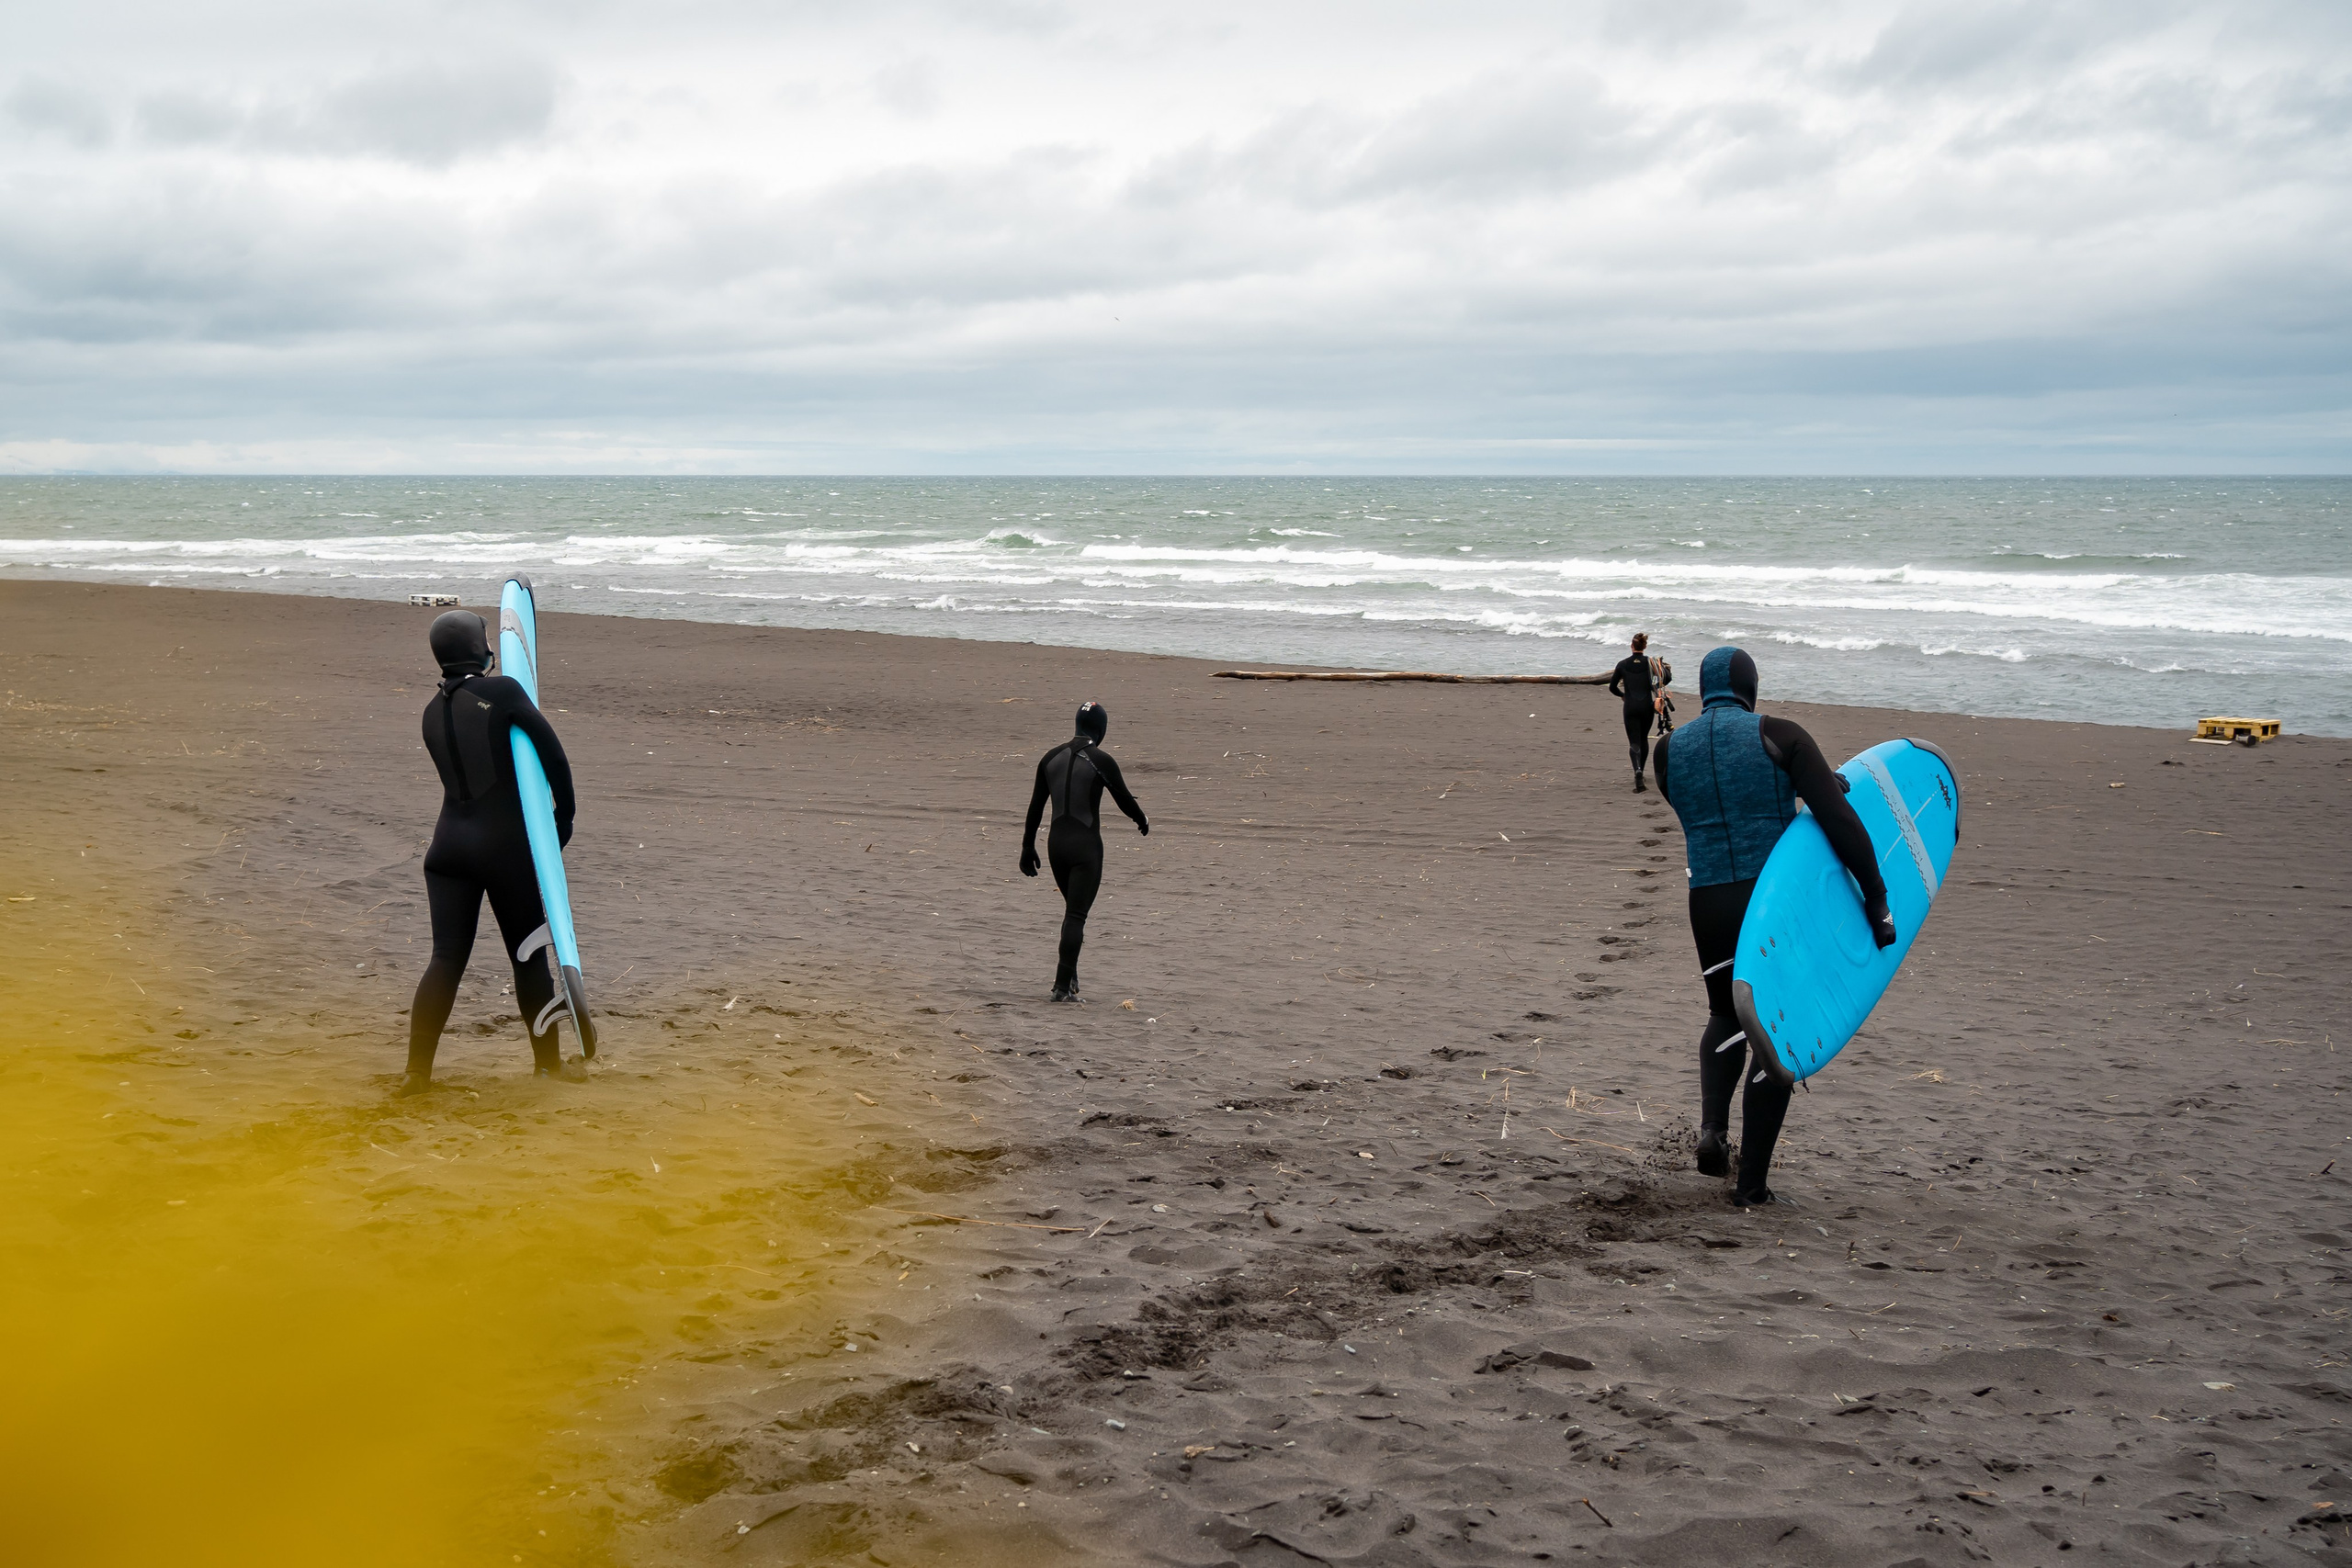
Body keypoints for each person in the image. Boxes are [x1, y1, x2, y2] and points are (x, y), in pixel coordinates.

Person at [1654, 646, 1894, 1206]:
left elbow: (1705, 807)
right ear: (1749, 686)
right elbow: (1837, 819)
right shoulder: (1779, 735)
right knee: (1775, 1029)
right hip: (1771, 904)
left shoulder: (1668, 752)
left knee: (1723, 1013)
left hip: (1708, 901)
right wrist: (1877, 898)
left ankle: (1713, 1130)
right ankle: (1751, 1187)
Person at [400, 610, 586, 1095]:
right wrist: (562, 819)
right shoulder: (501, 691)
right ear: (479, 649)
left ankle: (416, 1074)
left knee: (445, 959)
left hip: (447, 852)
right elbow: (554, 756)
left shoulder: (429, 711)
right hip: (503, 848)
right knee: (528, 960)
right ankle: (547, 1066)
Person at [1019, 702, 1148, 1001]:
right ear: (1101, 730)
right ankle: (1062, 989)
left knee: (1071, 913)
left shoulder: (1050, 758)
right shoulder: (1101, 760)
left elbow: (1035, 806)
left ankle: (1069, 975)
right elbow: (1124, 799)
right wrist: (1141, 819)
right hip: (1085, 849)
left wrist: (1027, 846)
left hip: (1055, 847)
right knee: (1076, 916)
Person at [1607, 633, 1657, 791]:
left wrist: (1623, 696)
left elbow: (1612, 687)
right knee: (1643, 739)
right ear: (1645, 647)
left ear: (1631, 646)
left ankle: (1637, 770)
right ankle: (1641, 771)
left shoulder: (1622, 664)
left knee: (1634, 741)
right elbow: (1665, 679)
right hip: (1647, 707)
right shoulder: (1651, 663)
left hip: (1630, 707)